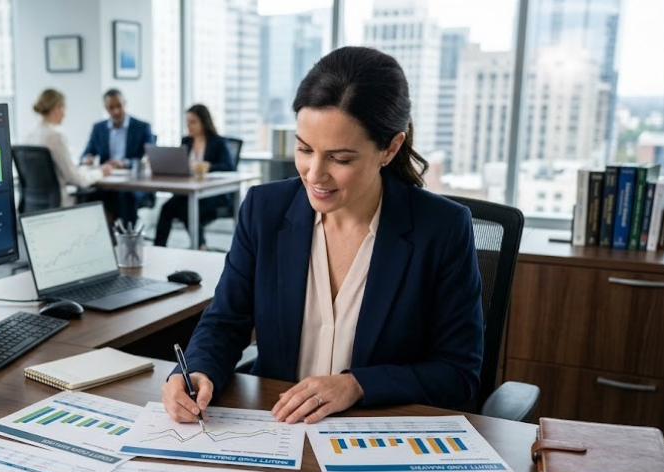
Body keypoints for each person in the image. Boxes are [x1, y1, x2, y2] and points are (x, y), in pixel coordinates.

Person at [161, 47, 483, 425]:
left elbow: (458, 373)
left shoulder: (442, 228)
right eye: (304, 149)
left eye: (340, 159)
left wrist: (357, 385)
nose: (314, 174)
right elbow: (225, 322)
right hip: (278, 426)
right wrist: (198, 370)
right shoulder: (264, 210)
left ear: (390, 149)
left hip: (374, 433)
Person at [153, 104, 236, 248]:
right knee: (166, 208)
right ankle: (158, 247)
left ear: (204, 122)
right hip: (189, 191)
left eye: (193, 122)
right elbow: (181, 163)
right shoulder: (186, 141)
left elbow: (229, 167)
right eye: (187, 122)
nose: (189, 126)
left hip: (213, 194)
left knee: (187, 209)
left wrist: (208, 166)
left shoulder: (218, 142)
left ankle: (200, 245)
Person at [23, 88, 112, 208]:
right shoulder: (55, 137)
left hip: (33, 204)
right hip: (59, 204)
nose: (65, 113)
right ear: (56, 108)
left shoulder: (30, 135)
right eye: (64, 108)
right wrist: (101, 172)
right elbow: (78, 180)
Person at [79, 88, 155, 224]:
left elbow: (148, 159)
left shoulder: (142, 127)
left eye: (119, 106)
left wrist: (124, 163)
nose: (116, 111)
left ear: (125, 103)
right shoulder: (99, 128)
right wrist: (87, 159)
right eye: (111, 108)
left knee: (125, 197)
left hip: (134, 184)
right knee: (87, 196)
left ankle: (126, 238)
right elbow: (86, 154)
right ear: (106, 109)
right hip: (107, 182)